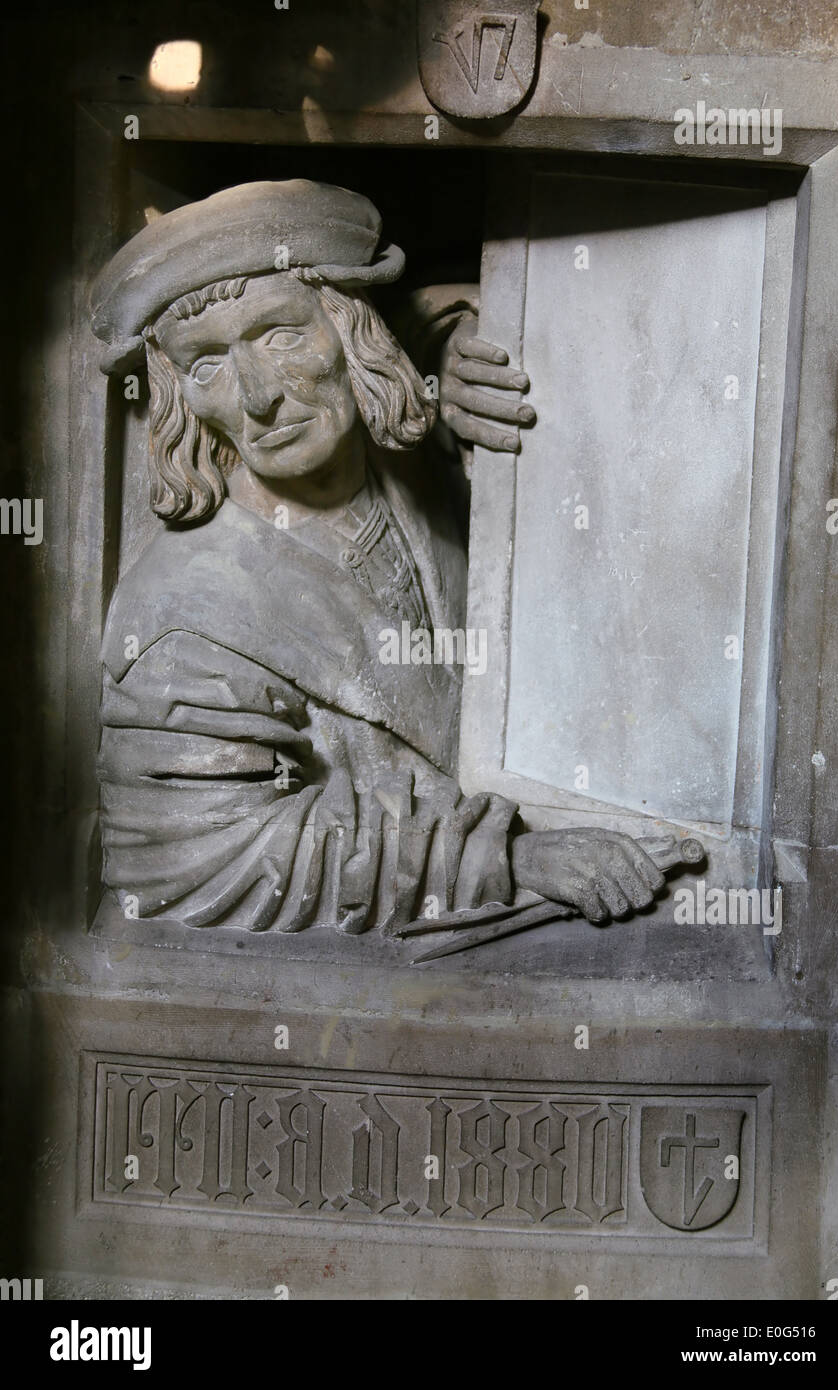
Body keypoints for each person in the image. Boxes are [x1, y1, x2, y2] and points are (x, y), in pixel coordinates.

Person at [90, 178, 665, 937]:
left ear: (351, 330)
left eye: (282, 335)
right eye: (207, 366)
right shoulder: (182, 621)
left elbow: (474, 333)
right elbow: (197, 868)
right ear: (180, 397)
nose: (261, 397)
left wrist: (448, 347)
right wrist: (505, 861)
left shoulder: (411, 464)